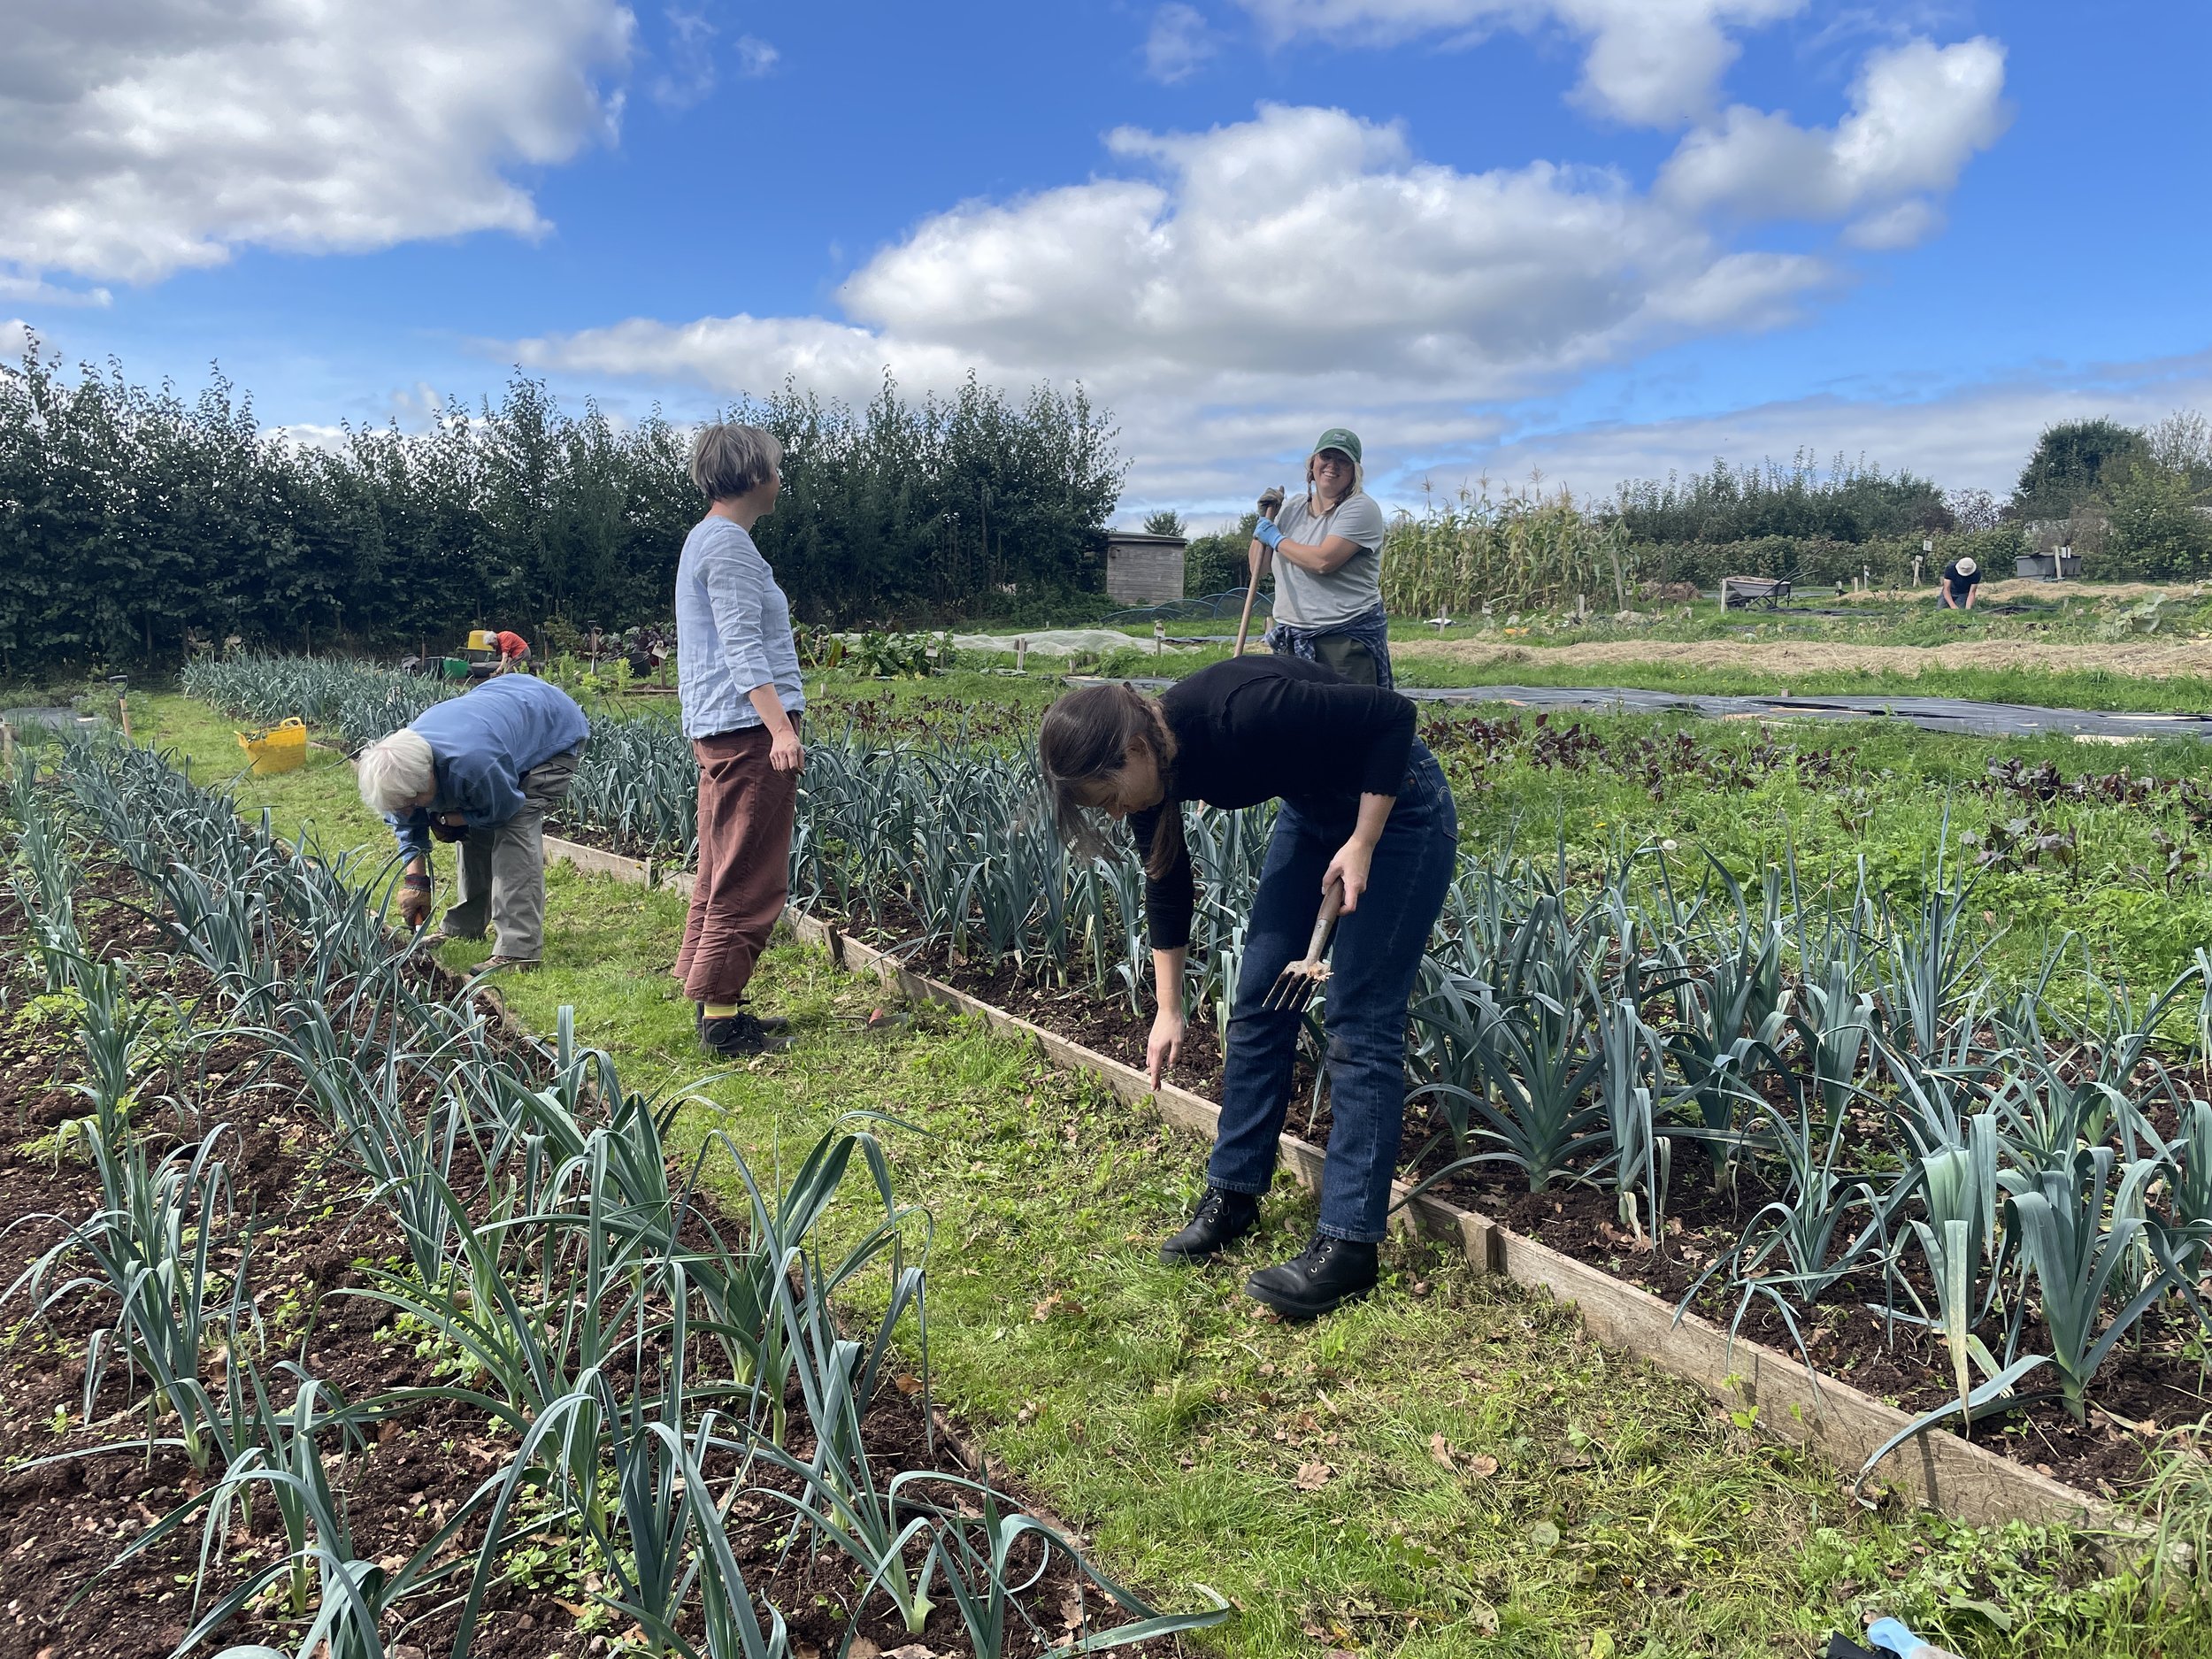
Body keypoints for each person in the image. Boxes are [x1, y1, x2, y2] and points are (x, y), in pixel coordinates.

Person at [1039, 656, 1458, 1317]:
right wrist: (1169, 1008)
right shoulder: (1157, 772)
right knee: (1260, 995)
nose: (1116, 812)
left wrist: (1363, 841)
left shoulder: (1242, 709)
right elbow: (1167, 879)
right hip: (1315, 811)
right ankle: (1233, 1194)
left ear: (1135, 748)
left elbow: (1393, 716)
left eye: (1110, 795)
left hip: (1397, 806)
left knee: (1360, 1015)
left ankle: (1349, 1244)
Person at [672, 421, 804, 1059]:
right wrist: (780, 726)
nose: (782, 479)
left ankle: (713, 1001)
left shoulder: (710, 540)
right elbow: (741, 646)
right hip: (749, 730)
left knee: (722, 865)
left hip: (727, 725)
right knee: (750, 872)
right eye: (777, 468)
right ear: (754, 476)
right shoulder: (725, 545)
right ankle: (724, 1022)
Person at [357, 674, 590, 971]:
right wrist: (416, 881)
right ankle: (464, 926)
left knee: (513, 832)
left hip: (551, 730)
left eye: (415, 802)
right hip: (505, 710)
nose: (410, 810)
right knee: (471, 830)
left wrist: (451, 818)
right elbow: (406, 818)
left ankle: (519, 949)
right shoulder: (395, 770)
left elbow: (504, 810)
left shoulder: (474, 766)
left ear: (429, 776)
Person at [1250, 428, 1394, 687]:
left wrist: (1277, 539)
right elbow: (1258, 569)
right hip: (1292, 637)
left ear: (1354, 472)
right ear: (1312, 464)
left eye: (1343, 461)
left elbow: (1323, 561)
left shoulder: (1361, 509)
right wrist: (1264, 523)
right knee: (1297, 723)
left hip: (1343, 640)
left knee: (1348, 721)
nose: (1332, 466)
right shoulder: (1292, 508)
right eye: (1326, 457)